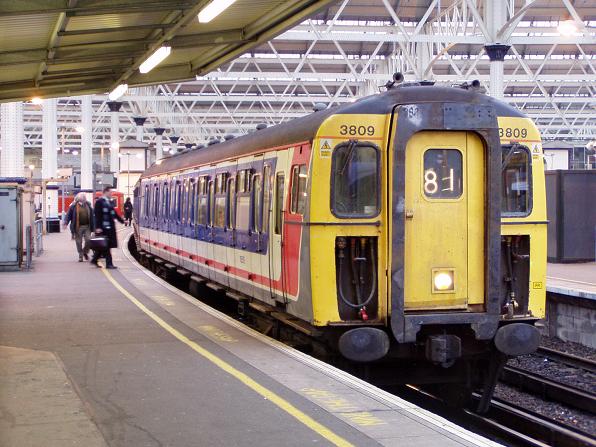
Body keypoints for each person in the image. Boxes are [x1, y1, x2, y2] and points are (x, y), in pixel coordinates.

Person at [91, 186, 124, 269]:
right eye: (110, 192)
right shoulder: (99, 202)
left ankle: (95, 259)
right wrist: (98, 227)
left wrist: (122, 221)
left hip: (109, 227)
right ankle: (109, 264)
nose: (111, 194)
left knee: (104, 245)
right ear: (105, 192)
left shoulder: (109, 202)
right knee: (106, 246)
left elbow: (114, 213)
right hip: (103, 227)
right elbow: (97, 215)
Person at [63, 192, 94, 262]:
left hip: (87, 226)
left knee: (88, 240)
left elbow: (92, 216)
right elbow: (68, 215)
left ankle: (84, 252)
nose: (84, 199)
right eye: (83, 198)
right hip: (78, 227)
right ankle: (80, 255)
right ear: (79, 199)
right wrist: (65, 223)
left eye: (84, 198)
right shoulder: (73, 206)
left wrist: (95, 225)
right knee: (78, 242)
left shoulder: (88, 205)